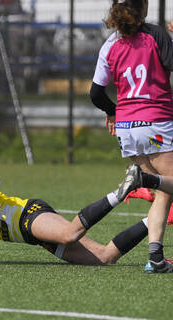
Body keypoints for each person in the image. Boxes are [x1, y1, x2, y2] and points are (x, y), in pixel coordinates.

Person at [0, 149, 159, 269]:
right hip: (33, 237)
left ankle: (122, 190)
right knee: (105, 258)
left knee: (69, 233)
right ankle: (158, 217)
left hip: (28, 215)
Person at [90, 0, 173, 273]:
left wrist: (114, 112)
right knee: (164, 188)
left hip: (126, 127)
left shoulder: (109, 45)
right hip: (156, 121)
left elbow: (95, 94)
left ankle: (156, 259)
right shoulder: (156, 35)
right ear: (144, 9)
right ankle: (142, 180)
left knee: (162, 192)